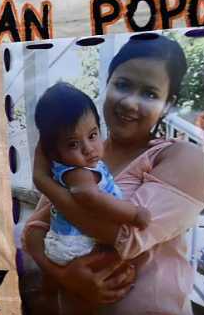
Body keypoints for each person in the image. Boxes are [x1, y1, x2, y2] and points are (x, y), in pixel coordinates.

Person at [19, 35, 204, 315]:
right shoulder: (80, 155)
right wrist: (63, 275)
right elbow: (35, 230)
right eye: (122, 85)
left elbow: (125, 237)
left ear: (168, 102)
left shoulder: (182, 157)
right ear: (107, 84)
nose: (130, 103)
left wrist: (45, 181)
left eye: (149, 94)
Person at [31, 81, 152, 265]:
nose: (88, 149)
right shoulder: (78, 173)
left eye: (92, 135)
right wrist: (133, 214)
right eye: (73, 144)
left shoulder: (82, 165)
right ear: (54, 151)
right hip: (76, 245)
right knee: (133, 258)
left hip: (72, 239)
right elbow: (90, 196)